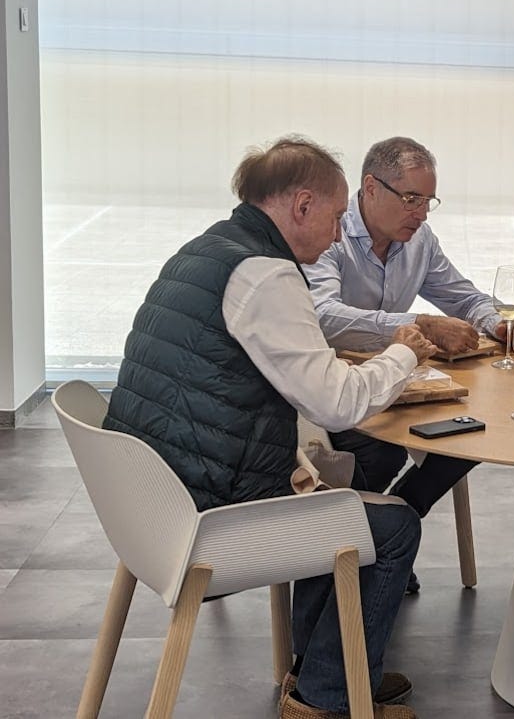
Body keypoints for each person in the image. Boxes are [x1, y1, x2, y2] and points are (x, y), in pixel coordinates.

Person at [104, 137, 437, 719]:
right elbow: (334, 404)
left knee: (334, 494)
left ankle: (331, 671)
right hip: (207, 523)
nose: (339, 235)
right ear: (302, 204)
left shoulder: (207, 249)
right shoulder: (266, 275)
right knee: (391, 526)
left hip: (147, 507)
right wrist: (403, 352)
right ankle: (327, 699)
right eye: (336, 218)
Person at [306, 137, 499, 517]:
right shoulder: (330, 232)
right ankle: (353, 545)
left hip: (397, 384)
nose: (422, 214)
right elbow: (323, 317)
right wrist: (419, 324)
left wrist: (498, 322)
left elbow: (465, 299)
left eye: (429, 202)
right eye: (412, 199)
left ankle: (397, 517)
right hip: (332, 389)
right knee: (383, 451)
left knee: (477, 427)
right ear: (372, 187)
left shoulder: (419, 240)